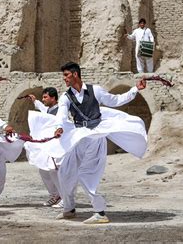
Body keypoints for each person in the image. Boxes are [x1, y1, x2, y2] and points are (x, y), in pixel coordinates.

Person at [40, 62, 147, 224]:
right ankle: (69, 209)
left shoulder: (95, 90)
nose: (64, 79)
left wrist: (135, 89)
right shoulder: (65, 97)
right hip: (79, 136)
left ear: (75, 74)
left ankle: (100, 212)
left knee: (87, 173)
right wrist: (59, 127)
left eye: (66, 75)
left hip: (95, 136)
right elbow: (61, 115)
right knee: (65, 172)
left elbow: (115, 100)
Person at [26, 88, 63, 208]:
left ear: (53, 98)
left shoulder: (61, 110)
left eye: (45, 97)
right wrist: (35, 101)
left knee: (54, 170)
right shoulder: (49, 109)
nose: (43, 99)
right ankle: (55, 195)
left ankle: (64, 197)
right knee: (43, 169)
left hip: (56, 146)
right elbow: (44, 111)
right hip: (46, 145)